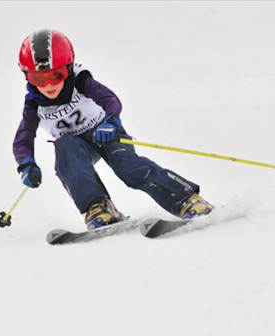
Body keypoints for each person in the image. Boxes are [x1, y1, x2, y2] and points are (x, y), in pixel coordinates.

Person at [13, 29, 213, 230]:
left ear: (68, 67)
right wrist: (26, 164)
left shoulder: (80, 81)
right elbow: (23, 138)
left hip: (105, 133)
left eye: (57, 75)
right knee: (65, 150)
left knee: (128, 167)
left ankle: (187, 200)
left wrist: (111, 122)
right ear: (27, 77)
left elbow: (110, 99)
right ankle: (99, 208)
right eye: (38, 79)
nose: (48, 85)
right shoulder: (34, 105)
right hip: (76, 147)